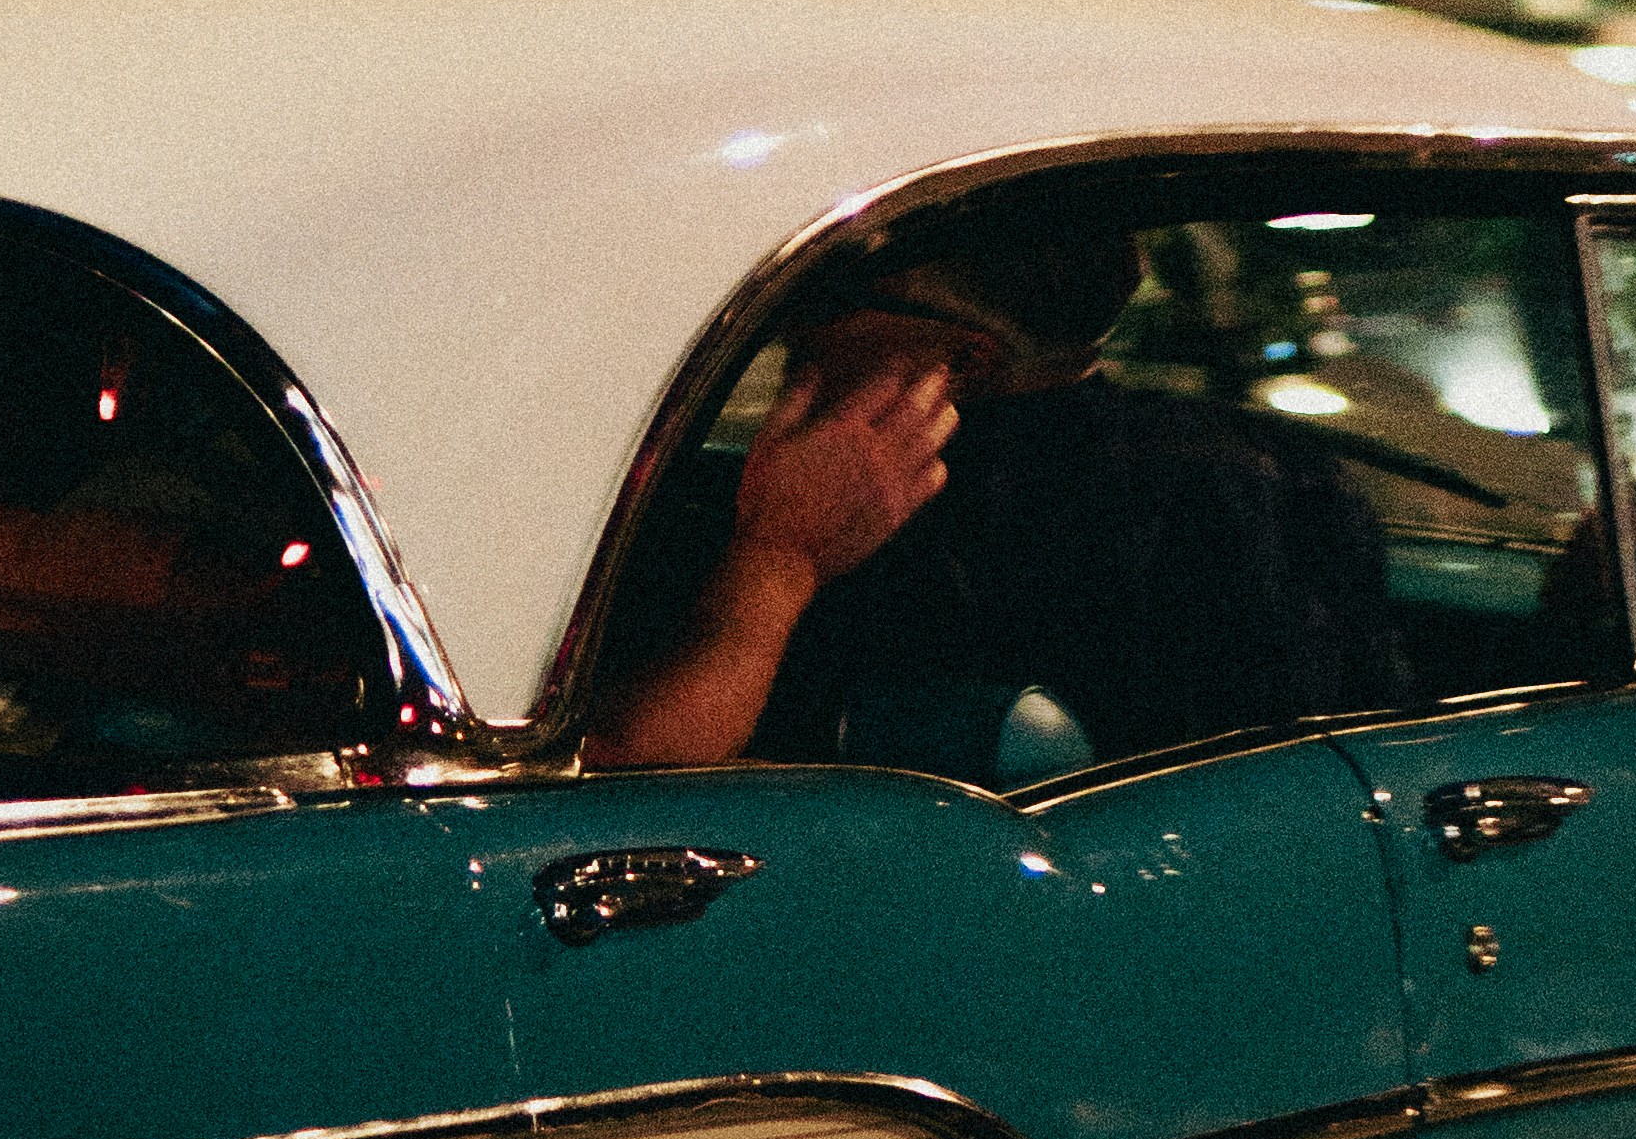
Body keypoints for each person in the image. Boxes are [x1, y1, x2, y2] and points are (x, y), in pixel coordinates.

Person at [592, 206, 1404, 777]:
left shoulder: (866, 528)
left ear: (968, 361)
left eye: (835, 299)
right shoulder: (1279, 478)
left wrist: (775, 558)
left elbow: (636, 778)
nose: (788, 326)